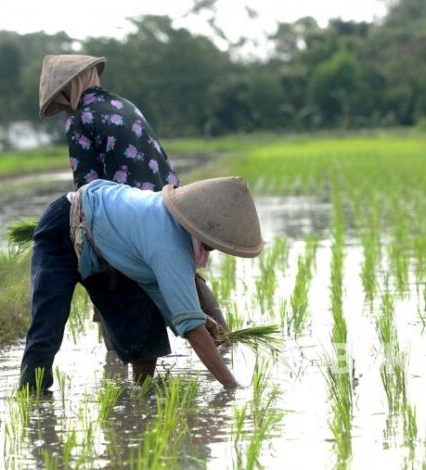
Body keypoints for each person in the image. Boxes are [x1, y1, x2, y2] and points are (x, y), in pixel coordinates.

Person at [20, 55, 226, 391]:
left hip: (114, 220)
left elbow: (86, 191)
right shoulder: (124, 105)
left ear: (69, 88)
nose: (63, 108)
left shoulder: (81, 117)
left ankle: (33, 394)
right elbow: (158, 164)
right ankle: (217, 344)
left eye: (61, 100)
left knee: (53, 320)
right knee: (148, 299)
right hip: (153, 208)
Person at [46, 176, 262, 389]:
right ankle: (33, 393)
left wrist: (200, 318)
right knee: (46, 327)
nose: (218, 246)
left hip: (106, 234)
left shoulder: (168, 218)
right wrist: (231, 385)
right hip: (67, 221)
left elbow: (167, 299)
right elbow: (190, 326)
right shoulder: (170, 249)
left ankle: (142, 395)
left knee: (147, 332)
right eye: (219, 238)